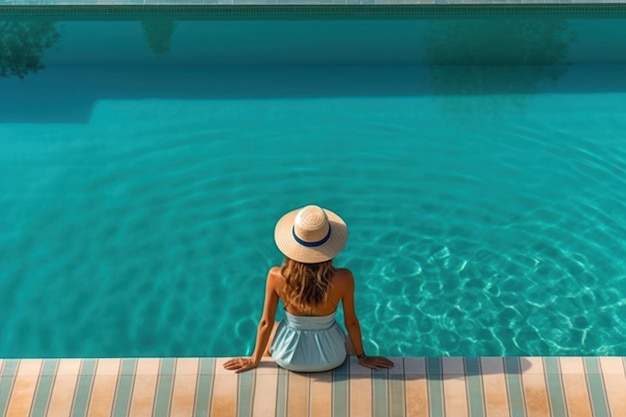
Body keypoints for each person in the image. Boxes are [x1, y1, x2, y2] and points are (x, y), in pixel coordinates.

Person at [224, 205, 394, 373]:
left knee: (275, 326)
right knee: (347, 340)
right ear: (329, 246)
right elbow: (351, 322)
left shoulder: (276, 276)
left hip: (288, 359)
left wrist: (254, 359)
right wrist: (363, 357)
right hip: (331, 359)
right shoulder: (343, 278)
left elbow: (265, 323)